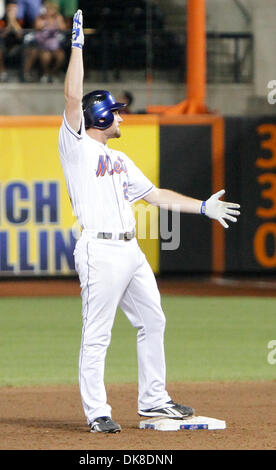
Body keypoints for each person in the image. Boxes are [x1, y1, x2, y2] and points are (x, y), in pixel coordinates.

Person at [58, 10, 240, 434]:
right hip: (99, 249)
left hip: (129, 250)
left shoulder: (121, 160)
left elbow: (155, 195)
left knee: (153, 319)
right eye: (116, 112)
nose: (122, 116)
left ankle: (154, 401)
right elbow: (71, 99)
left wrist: (201, 207)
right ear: (100, 116)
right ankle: (97, 412)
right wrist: (77, 47)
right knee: (97, 333)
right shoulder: (77, 148)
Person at [23, 1, 66, 83]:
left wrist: (55, 22)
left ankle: (53, 73)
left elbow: (63, 28)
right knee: (46, 57)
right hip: (42, 44)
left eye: (51, 9)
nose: (49, 11)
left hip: (55, 45)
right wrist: (46, 23)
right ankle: (45, 74)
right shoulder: (40, 17)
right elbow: (37, 27)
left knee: (61, 56)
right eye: (48, 9)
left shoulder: (58, 17)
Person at [0, 0, 23, 82]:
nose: (12, 10)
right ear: (6, 8)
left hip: (18, 45)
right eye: (10, 8)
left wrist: (13, 22)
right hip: (3, 44)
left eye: (14, 8)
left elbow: (20, 35)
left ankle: (24, 74)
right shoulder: (1, 20)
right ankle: (2, 72)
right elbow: (1, 34)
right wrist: (9, 24)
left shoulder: (20, 20)